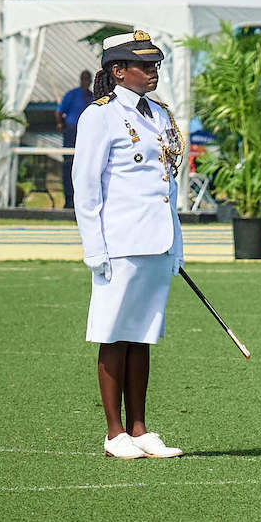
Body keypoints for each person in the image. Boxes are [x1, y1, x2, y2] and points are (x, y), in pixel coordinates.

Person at [74, 30, 185, 460]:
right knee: (113, 334)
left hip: (156, 241)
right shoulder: (98, 117)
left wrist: (177, 244)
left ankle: (140, 428)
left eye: (155, 64)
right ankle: (114, 431)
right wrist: (94, 249)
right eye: (144, 64)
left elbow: (168, 186)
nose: (153, 70)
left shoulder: (158, 114)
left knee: (142, 336)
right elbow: (86, 188)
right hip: (118, 243)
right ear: (118, 71)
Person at [56, 70, 93, 208]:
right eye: (83, 78)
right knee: (69, 165)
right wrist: (60, 124)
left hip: (87, 134)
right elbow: (59, 111)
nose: (86, 81)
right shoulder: (72, 94)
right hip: (72, 132)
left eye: (88, 79)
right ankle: (69, 198)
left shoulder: (92, 97)